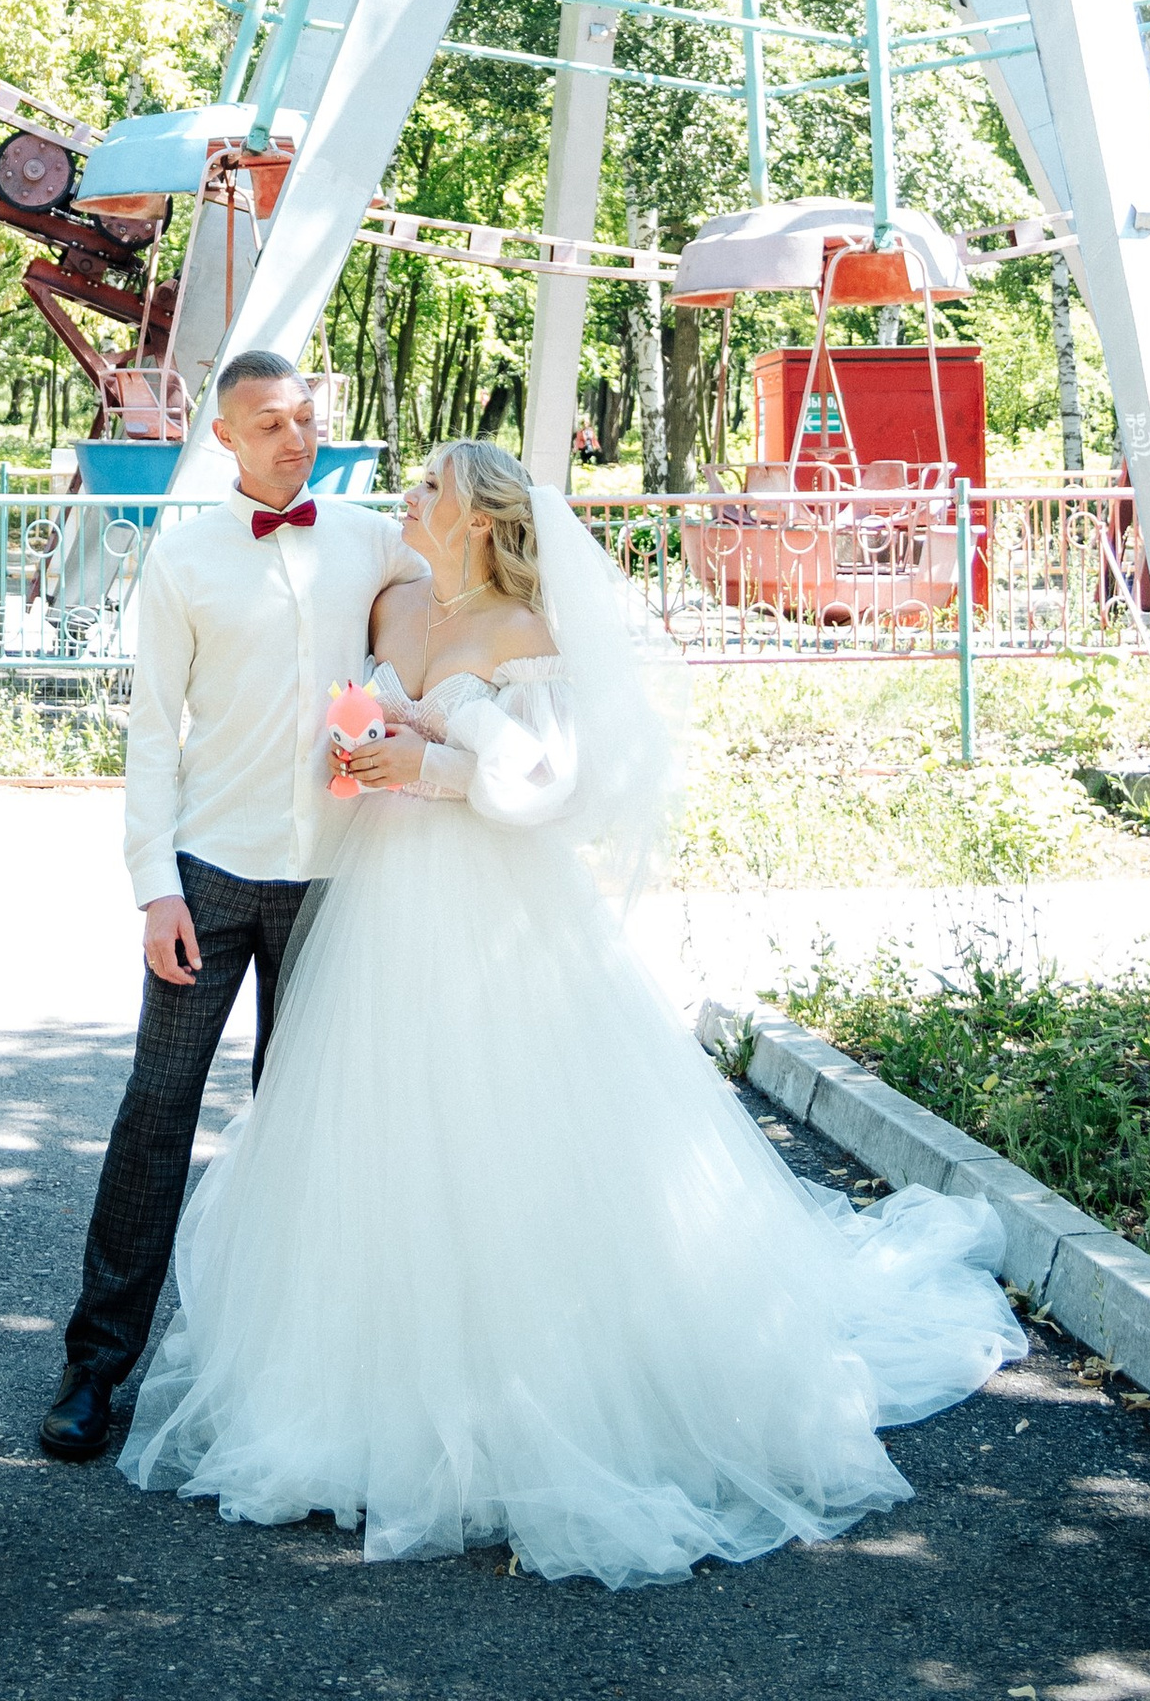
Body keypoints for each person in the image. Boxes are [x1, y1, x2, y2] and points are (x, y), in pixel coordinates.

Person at [116, 440, 1029, 1581]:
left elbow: (548, 788)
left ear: (480, 519)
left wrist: (430, 764)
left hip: (488, 908)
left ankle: (534, 1398)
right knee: (379, 1137)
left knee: (505, 1132)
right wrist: (362, 757)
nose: (404, 496)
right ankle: (364, 1388)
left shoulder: (521, 636)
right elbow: (355, 729)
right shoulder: (394, 611)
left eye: (427, 489)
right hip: (377, 900)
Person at [39, 351, 417, 1464]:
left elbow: (449, 604)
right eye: (269, 424)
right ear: (224, 438)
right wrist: (154, 888)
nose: (294, 439)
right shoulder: (186, 556)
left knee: (308, 1128)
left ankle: (292, 1381)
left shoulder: (368, 539)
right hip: (210, 873)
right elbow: (153, 732)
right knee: (155, 1116)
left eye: (305, 419)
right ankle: (93, 1372)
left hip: (338, 876)